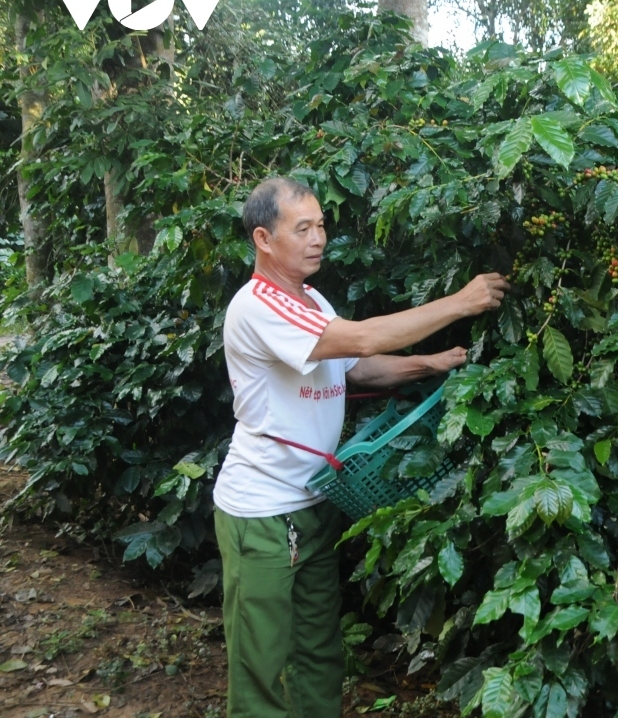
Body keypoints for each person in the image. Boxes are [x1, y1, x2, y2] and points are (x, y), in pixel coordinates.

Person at [212, 177, 510, 718]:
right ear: (263, 237)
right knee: (260, 663)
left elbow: (356, 365)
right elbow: (364, 339)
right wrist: (460, 303)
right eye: (301, 228)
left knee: (320, 652)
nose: (318, 237)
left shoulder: (312, 298)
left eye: (321, 224)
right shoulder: (259, 305)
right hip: (260, 513)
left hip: (315, 502)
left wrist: (431, 363)